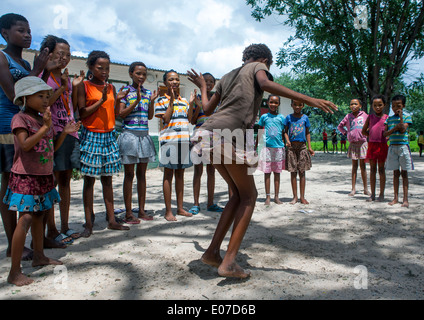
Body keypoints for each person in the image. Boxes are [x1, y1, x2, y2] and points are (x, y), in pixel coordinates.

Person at [187, 43, 337, 278]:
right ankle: (228, 262)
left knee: (237, 195)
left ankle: (212, 252)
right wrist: (309, 99)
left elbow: (206, 108)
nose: (265, 70)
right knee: (249, 196)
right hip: (226, 137)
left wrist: (201, 88)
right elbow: (265, 83)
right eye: (269, 65)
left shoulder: (227, 76)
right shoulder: (259, 66)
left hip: (205, 135)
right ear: (264, 60)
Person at [4, 76, 80, 286]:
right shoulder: (20, 119)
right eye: (41, 96)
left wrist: (63, 132)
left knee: (40, 217)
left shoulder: (42, 119)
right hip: (26, 177)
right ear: (25, 98)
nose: (46, 99)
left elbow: (52, 149)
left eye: (48, 96)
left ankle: (39, 256)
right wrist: (46, 128)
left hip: (44, 177)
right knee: (26, 218)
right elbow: (26, 145)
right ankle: (14, 271)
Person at [0, 13, 55, 260]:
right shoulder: (1, 57)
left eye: (29, 30)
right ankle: (17, 246)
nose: (27, 35)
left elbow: (36, 92)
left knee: (30, 187)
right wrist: (39, 68)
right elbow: (15, 94)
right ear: (4, 33)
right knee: (11, 185)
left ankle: (36, 245)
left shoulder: (23, 64)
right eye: (20, 30)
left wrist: (39, 70)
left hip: (33, 126)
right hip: (8, 127)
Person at [76, 50, 130, 237]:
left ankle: (112, 220)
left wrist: (117, 100)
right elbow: (82, 113)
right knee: (89, 180)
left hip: (109, 135)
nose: (105, 71)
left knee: (108, 178)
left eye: (107, 68)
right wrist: (101, 100)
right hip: (91, 135)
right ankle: (88, 223)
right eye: (100, 67)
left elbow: (113, 113)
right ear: (91, 67)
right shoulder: (84, 86)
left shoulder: (111, 88)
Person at [39, 35, 85, 245]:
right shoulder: (42, 75)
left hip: (70, 131)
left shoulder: (66, 78)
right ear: (48, 53)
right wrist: (62, 87)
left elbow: (72, 106)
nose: (64, 58)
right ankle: (52, 229)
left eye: (67, 54)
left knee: (66, 180)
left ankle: (65, 226)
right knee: (52, 182)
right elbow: (45, 102)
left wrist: (73, 86)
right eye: (60, 53)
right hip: (52, 132)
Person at [117, 62, 157, 223]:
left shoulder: (148, 93)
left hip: (144, 135)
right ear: (131, 74)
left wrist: (151, 101)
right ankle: (128, 213)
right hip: (129, 136)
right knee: (129, 175)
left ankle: (141, 210)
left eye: (144, 74)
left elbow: (149, 116)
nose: (141, 77)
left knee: (142, 175)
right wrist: (135, 101)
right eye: (138, 73)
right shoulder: (125, 92)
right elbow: (121, 114)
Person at [155, 70, 193, 221]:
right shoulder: (161, 101)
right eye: (171, 79)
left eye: (177, 79)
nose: (175, 82)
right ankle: (168, 211)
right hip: (169, 141)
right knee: (168, 175)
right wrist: (171, 100)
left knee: (180, 176)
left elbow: (189, 119)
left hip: (183, 141)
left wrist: (190, 104)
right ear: (165, 82)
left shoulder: (183, 101)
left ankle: (180, 208)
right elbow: (165, 118)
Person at [188, 72, 223, 215]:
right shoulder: (195, 98)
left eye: (211, 82)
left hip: (213, 137)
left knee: (211, 170)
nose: (208, 84)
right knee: (198, 171)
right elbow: (192, 120)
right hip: (199, 137)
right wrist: (195, 105)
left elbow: (219, 118)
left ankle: (210, 203)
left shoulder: (218, 100)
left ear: (214, 85)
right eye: (206, 81)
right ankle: (196, 204)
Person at [384, 94, 413, 208]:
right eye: (394, 106)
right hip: (392, 147)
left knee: (404, 173)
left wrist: (400, 118)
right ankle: (395, 197)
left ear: (403, 106)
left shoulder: (407, 117)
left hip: (403, 147)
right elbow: (385, 134)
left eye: (398, 106)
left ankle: (405, 199)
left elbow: (402, 129)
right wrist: (394, 128)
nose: (396, 108)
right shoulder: (389, 119)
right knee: (395, 173)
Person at [337, 99, 370, 197]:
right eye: (351, 104)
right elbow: (340, 126)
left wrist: (367, 133)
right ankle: (353, 189)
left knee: (363, 167)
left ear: (360, 105)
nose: (353, 106)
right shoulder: (348, 116)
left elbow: (370, 126)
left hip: (363, 143)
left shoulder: (365, 116)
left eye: (355, 104)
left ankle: (365, 189)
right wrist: (346, 133)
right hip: (353, 144)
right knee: (354, 167)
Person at [257, 94, 285, 205]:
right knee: (267, 172)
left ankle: (276, 197)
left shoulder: (282, 118)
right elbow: (260, 132)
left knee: (277, 173)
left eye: (276, 103)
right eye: (271, 102)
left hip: (278, 148)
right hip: (266, 148)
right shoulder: (264, 117)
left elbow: (284, 132)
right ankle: (267, 197)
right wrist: (256, 147)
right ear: (268, 103)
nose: (273, 104)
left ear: (279, 104)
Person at [284, 100, 314, 205]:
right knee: (293, 172)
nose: (297, 107)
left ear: (303, 105)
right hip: (292, 147)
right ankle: (295, 197)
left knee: (302, 172)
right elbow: (285, 131)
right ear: (291, 105)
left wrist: (309, 147)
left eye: (299, 105)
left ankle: (302, 197)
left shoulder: (305, 118)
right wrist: (287, 141)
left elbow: (307, 133)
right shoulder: (288, 118)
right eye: (295, 104)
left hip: (302, 147)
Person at [362, 94, 389, 202]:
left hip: (382, 145)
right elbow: (364, 131)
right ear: (372, 106)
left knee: (381, 170)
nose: (377, 107)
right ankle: (372, 194)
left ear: (384, 105)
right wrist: (371, 136)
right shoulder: (370, 117)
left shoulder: (387, 118)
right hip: (372, 145)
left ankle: (381, 194)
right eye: (375, 105)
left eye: (380, 105)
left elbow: (388, 132)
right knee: (372, 170)